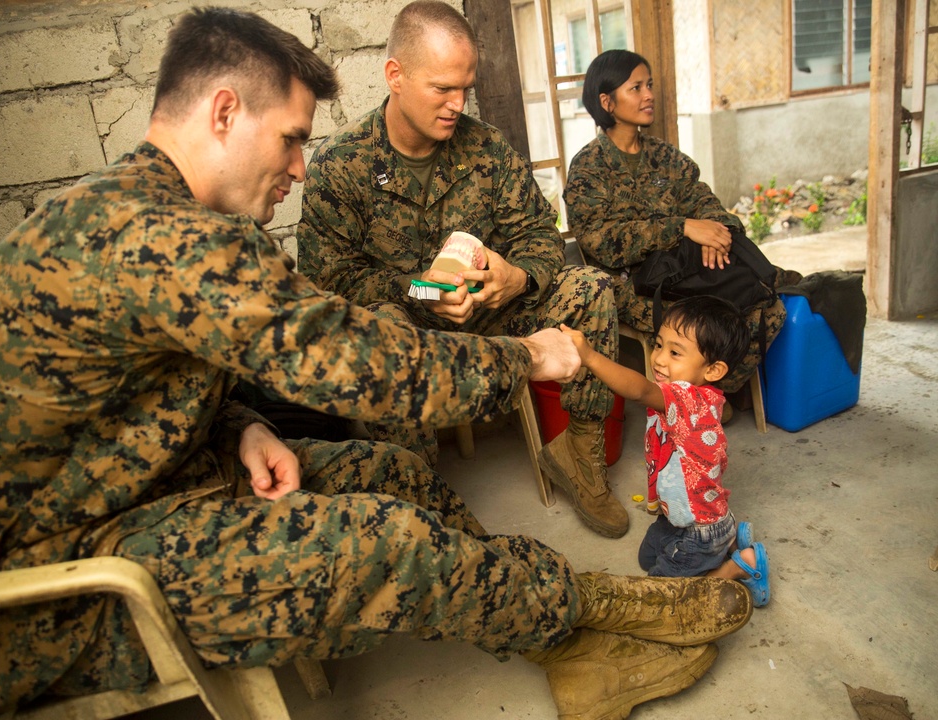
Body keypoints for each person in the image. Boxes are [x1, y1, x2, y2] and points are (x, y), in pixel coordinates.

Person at [0, 9, 753, 720]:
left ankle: (559, 644)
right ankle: (593, 610)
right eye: (290, 139)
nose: (298, 168)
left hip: (116, 496)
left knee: (394, 477)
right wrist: (523, 358)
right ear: (224, 111)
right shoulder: (162, 238)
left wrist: (243, 424)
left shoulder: (136, 209)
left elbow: (123, 391)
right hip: (38, 595)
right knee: (387, 542)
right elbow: (361, 361)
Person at [297, 1, 630, 539]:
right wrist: (422, 290)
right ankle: (424, 507)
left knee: (588, 288)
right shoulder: (342, 167)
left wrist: (516, 278)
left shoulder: (485, 148)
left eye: (465, 89)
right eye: (442, 89)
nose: (457, 105)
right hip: (411, 327)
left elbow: (540, 235)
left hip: (491, 316)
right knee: (383, 335)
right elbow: (329, 283)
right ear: (395, 76)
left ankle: (578, 454)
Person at [564, 49, 800, 408]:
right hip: (633, 284)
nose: (649, 95)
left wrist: (716, 234)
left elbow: (704, 200)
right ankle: (692, 406)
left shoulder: (665, 156)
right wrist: (684, 228)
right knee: (704, 319)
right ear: (606, 101)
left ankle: (713, 397)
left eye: (650, 85)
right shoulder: (589, 167)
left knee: (766, 306)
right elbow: (602, 242)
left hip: (685, 269)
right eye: (636, 88)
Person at [560, 296, 771, 607]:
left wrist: (590, 357)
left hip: (701, 529)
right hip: (684, 518)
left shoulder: (687, 398)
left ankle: (738, 566)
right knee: (648, 557)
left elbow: (641, 390)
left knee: (661, 600)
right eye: (658, 345)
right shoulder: (695, 393)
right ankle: (729, 540)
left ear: (713, 370)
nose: (658, 359)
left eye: (675, 352)